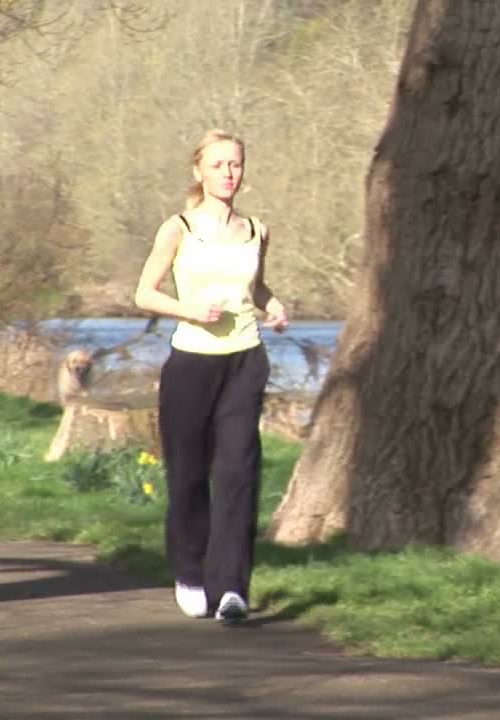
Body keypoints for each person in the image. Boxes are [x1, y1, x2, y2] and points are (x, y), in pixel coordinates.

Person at [133, 128, 289, 623]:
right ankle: (190, 572)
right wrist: (189, 310)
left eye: (236, 164)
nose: (228, 173)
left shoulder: (257, 230)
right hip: (191, 365)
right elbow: (144, 294)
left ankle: (231, 589)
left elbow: (257, 288)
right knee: (188, 475)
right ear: (198, 171)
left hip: (246, 359)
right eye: (219, 165)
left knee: (238, 471)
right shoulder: (178, 227)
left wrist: (274, 306)